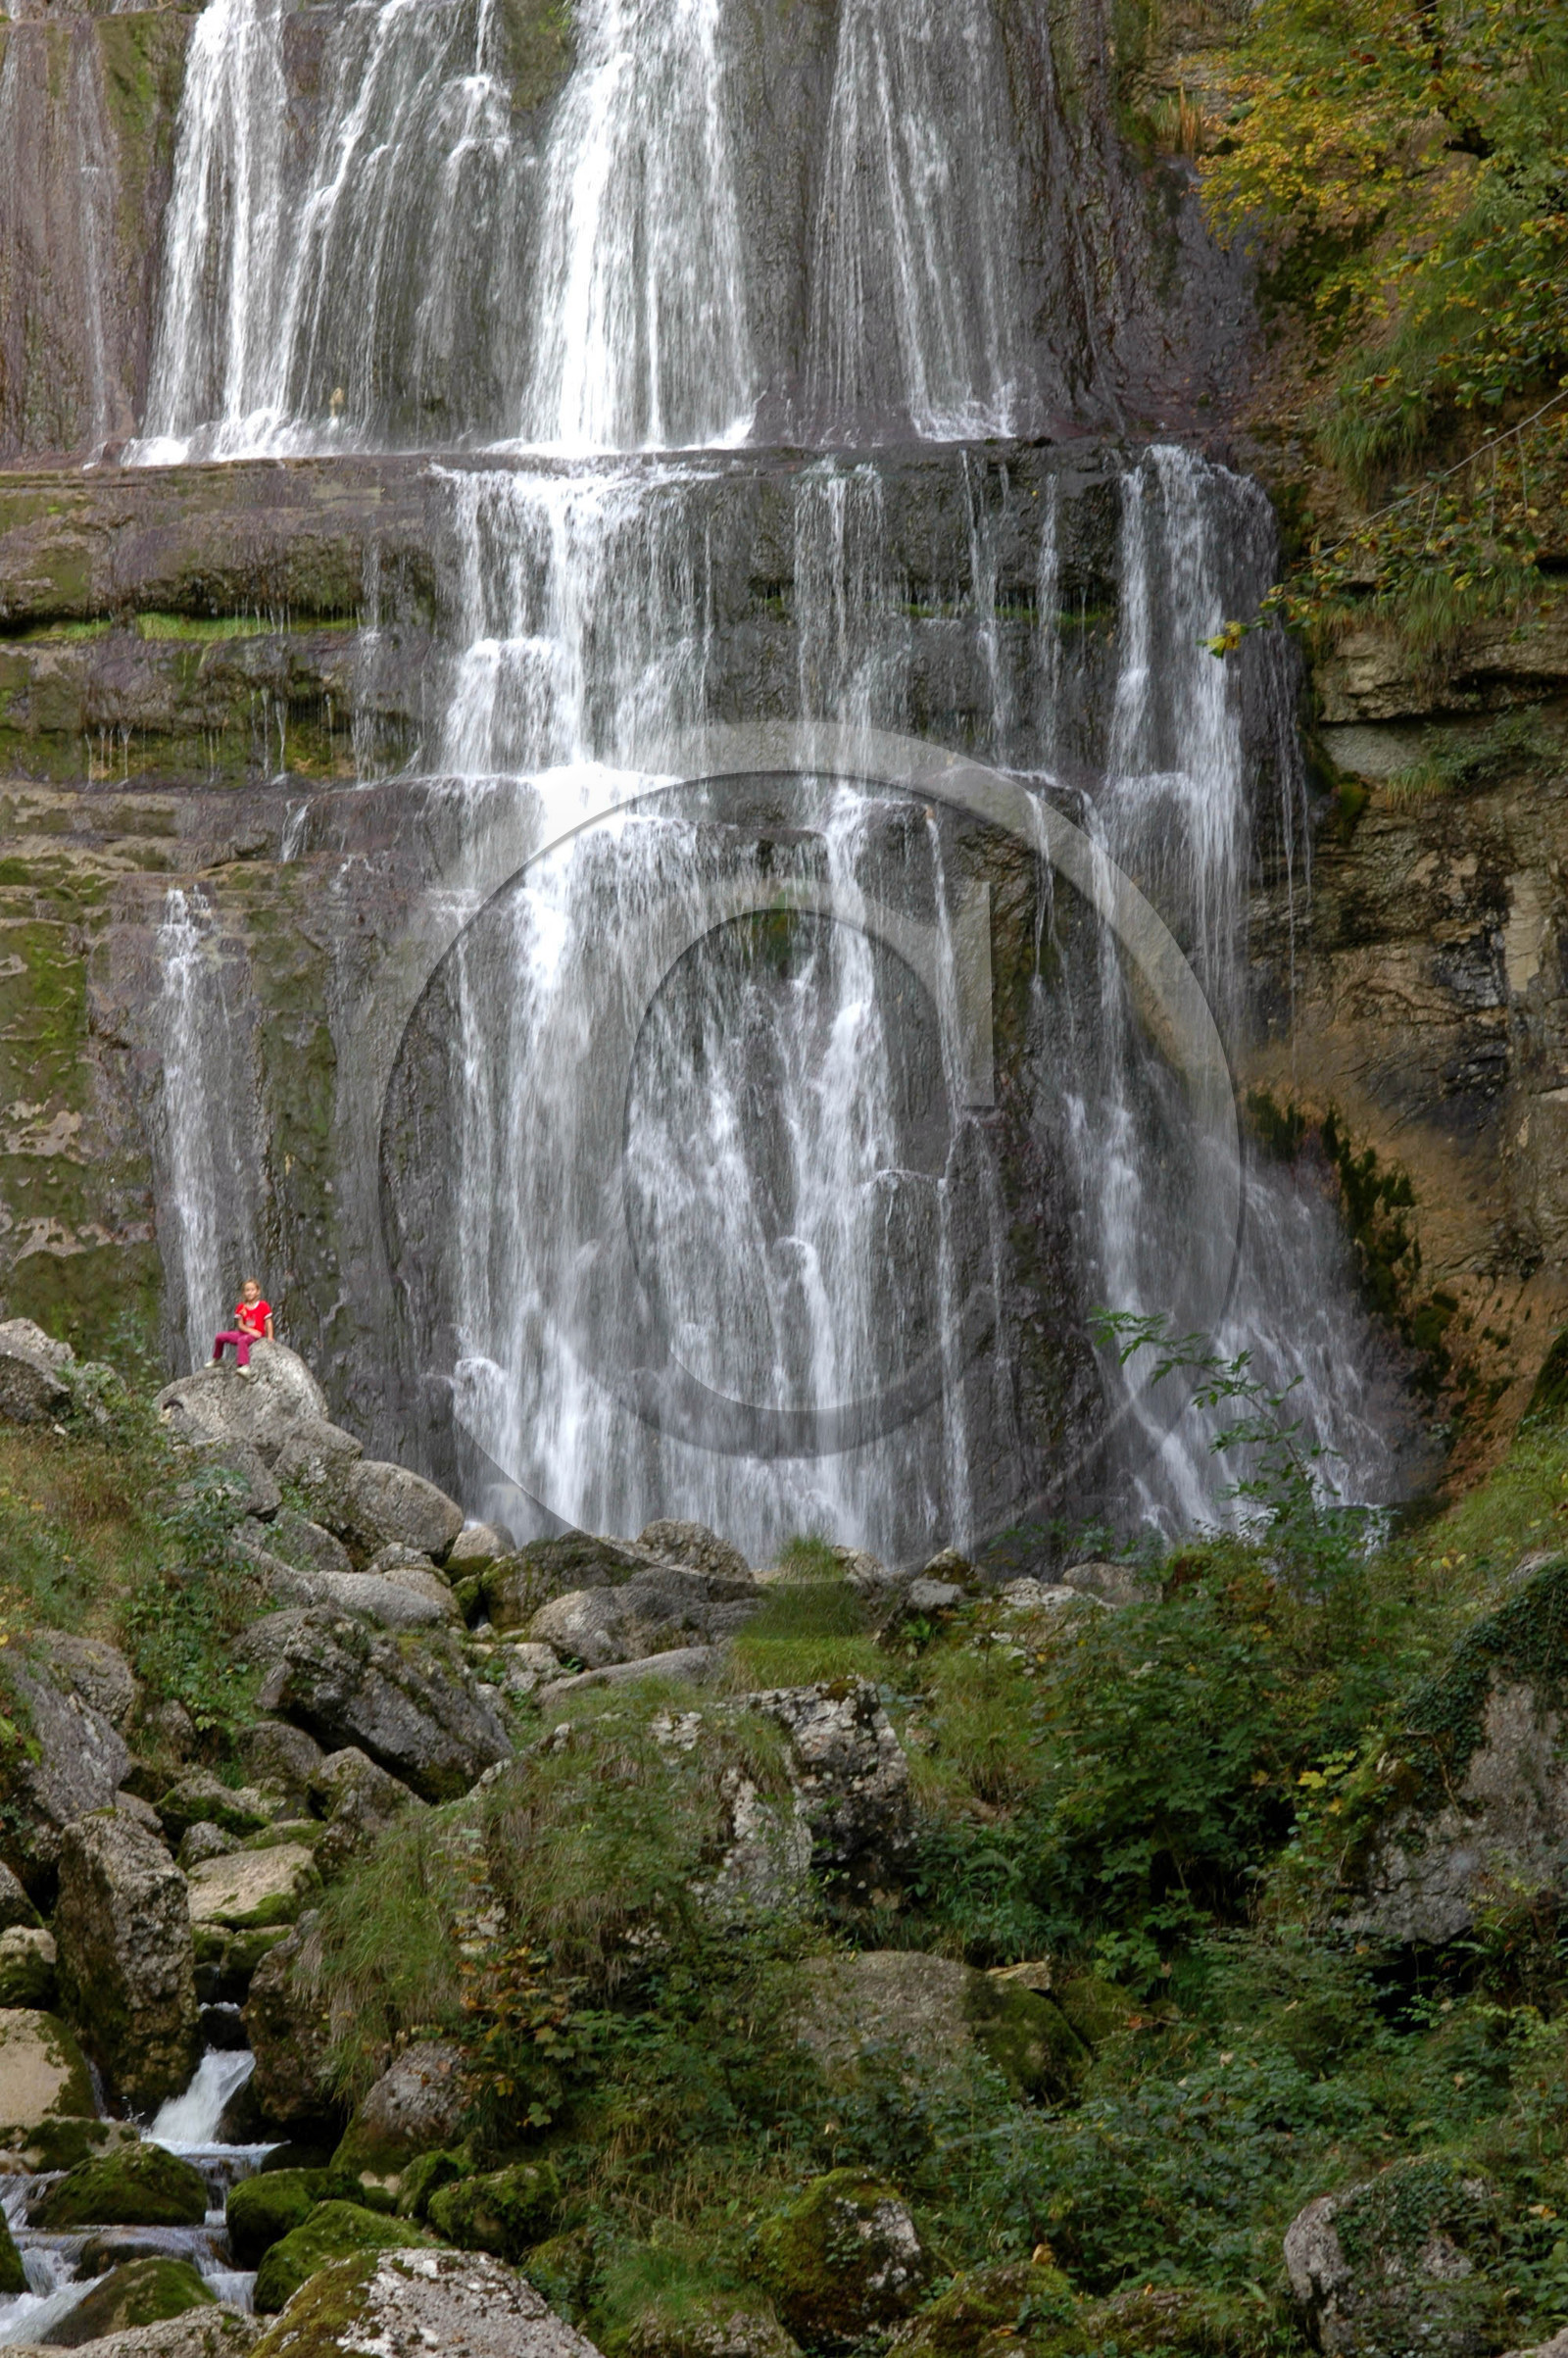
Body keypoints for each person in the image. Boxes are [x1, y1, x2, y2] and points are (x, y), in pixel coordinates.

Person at [212, 1279, 274, 1378]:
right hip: (244, 1332)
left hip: (258, 1335)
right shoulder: (241, 1307)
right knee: (219, 1337)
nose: (250, 1292)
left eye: (252, 1290)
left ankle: (245, 1366)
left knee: (243, 1340)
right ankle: (217, 1359)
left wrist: (270, 1338)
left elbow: (268, 1322)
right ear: (244, 1293)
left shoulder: (263, 1305)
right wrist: (251, 1331)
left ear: (258, 1291)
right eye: (247, 1290)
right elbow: (240, 1325)